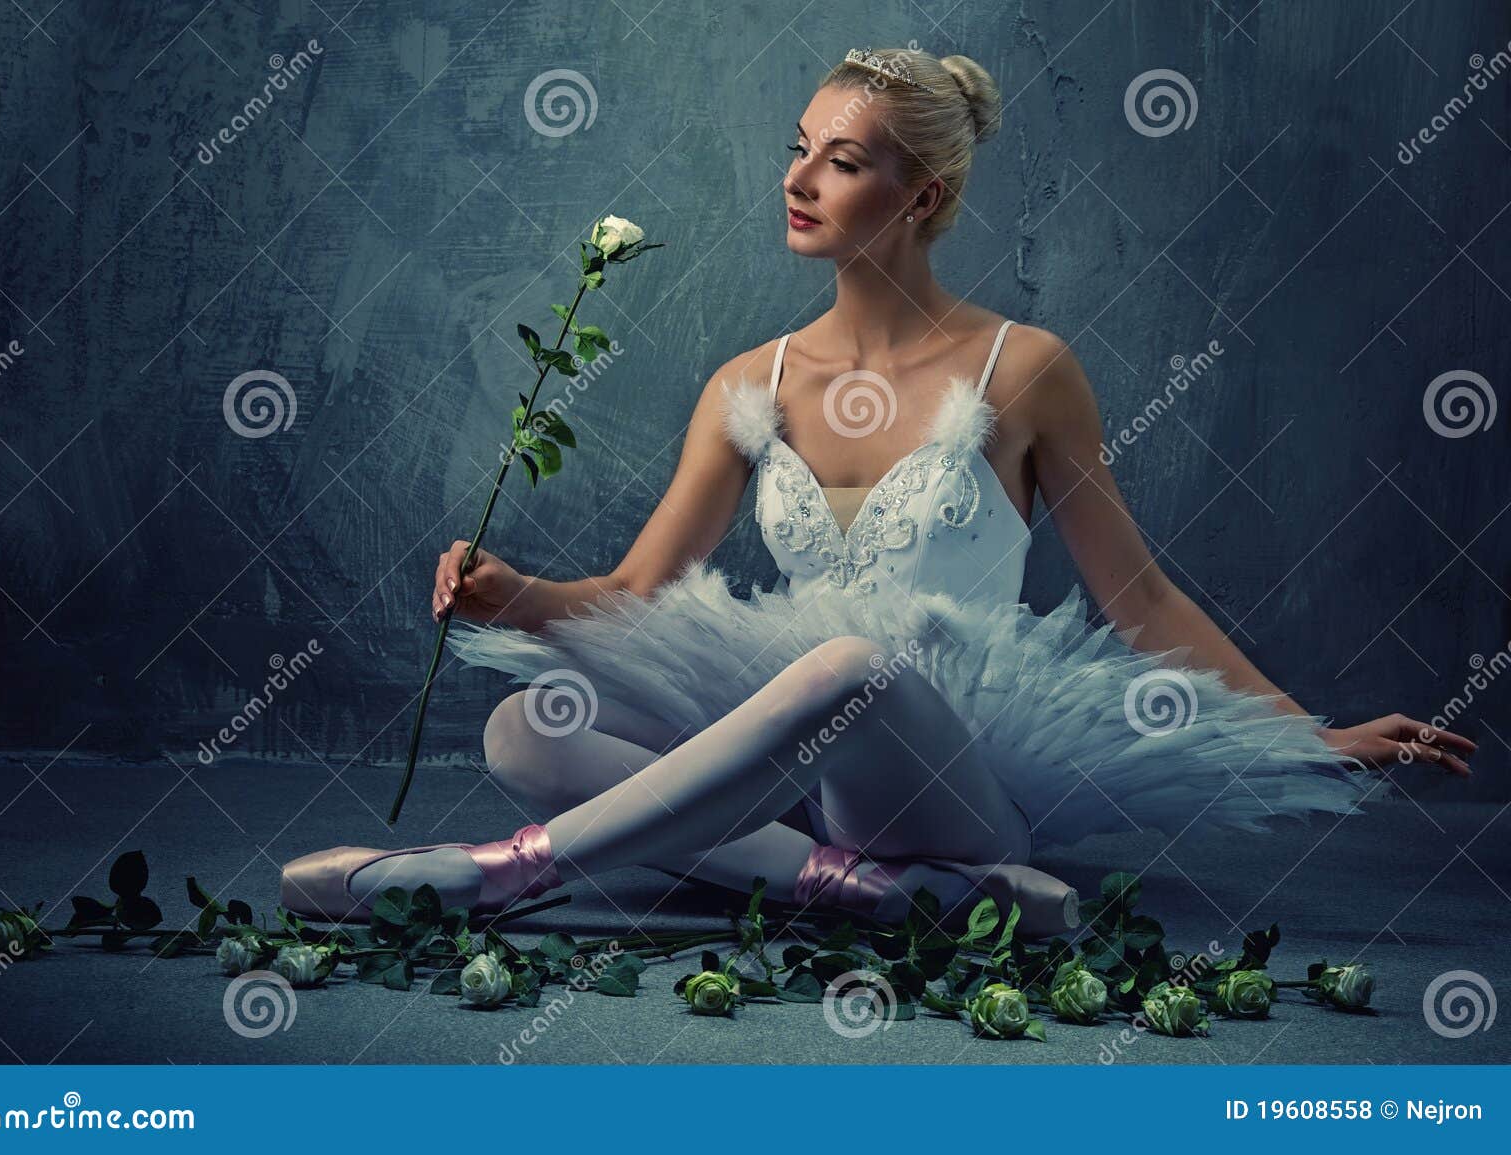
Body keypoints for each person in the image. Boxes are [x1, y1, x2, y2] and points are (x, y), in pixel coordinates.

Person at [282, 46, 1474, 938]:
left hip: (946, 765)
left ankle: (499, 873)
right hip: (801, 790)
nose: (798, 179)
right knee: (520, 725)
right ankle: (873, 894)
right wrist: (510, 598)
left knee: (850, 670)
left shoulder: (1027, 370)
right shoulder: (751, 381)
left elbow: (1143, 598)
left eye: (841, 162)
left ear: (922, 198)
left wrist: (1304, 739)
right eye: (799, 147)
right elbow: (637, 591)